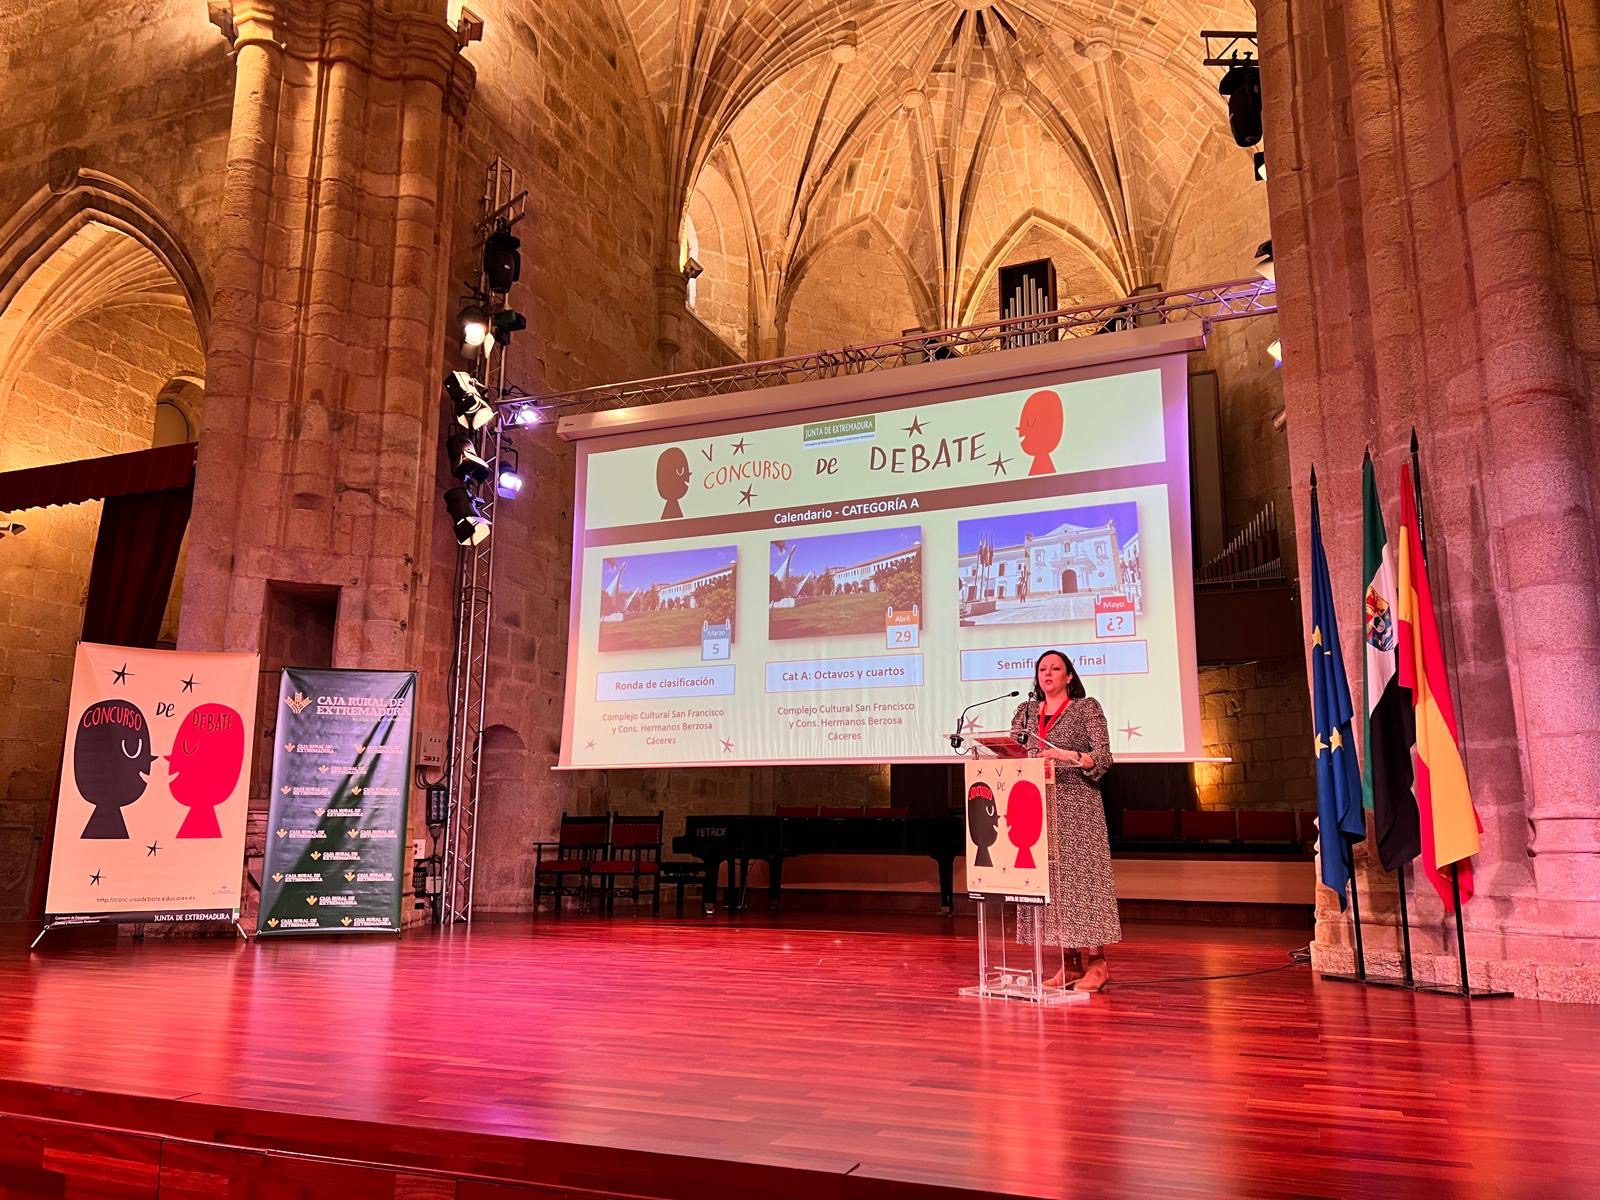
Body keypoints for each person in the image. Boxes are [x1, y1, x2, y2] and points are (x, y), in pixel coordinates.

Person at [1011, 650, 1120, 991]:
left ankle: (1097, 964)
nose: (1048, 673)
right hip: (1036, 807)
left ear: (1069, 676)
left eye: (1055, 668)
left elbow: (1103, 758)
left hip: (1078, 806)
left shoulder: (1086, 708)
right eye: (1042, 669)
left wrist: (1064, 755)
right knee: (1054, 886)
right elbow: (1012, 751)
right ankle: (1069, 964)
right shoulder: (1025, 711)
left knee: (1082, 885)